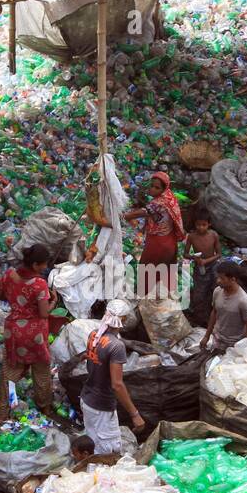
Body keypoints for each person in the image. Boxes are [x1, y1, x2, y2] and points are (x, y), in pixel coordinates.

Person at [0, 243, 57, 422]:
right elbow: (44, 313)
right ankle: (44, 407)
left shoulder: (9, 275)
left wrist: (17, 300)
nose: (45, 267)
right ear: (36, 265)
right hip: (34, 335)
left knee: (10, 372)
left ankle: (2, 414)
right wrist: (53, 301)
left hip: (13, 331)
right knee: (41, 372)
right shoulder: (39, 284)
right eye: (44, 264)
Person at [80, 300, 144, 454]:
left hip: (87, 400)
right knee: (108, 452)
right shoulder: (116, 346)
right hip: (101, 407)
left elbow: (91, 360)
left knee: (93, 445)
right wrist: (135, 414)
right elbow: (117, 385)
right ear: (124, 320)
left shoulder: (94, 334)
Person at [124, 171, 184, 288]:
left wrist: (126, 216)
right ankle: (159, 296)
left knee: (149, 270)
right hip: (168, 240)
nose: (152, 189)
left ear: (164, 188)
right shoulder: (169, 197)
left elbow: (145, 211)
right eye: (151, 186)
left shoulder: (160, 202)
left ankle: (147, 297)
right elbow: (151, 214)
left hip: (159, 243)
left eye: (157, 187)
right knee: (161, 272)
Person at [202, 261, 247, 352]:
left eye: (222, 278)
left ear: (233, 279)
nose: (218, 281)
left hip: (234, 344)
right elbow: (214, 312)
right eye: (218, 277)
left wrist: (246, 348)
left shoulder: (243, 301)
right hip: (217, 340)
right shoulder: (217, 291)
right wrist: (206, 336)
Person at [185, 209, 221, 326]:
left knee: (215, 290)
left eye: (204, 225)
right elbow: (185, 254)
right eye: (198, 225)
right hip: (199, 267)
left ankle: (215, 316)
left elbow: (219, 254)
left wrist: (206, 260)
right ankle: (201, 319)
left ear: (209, 224)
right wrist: (194, 258)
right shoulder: (191, 236)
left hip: (213, 266)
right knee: (199, 294)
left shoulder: (213, 235)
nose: (201, 228)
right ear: (195, 224)